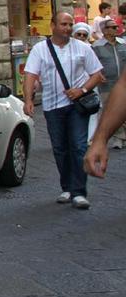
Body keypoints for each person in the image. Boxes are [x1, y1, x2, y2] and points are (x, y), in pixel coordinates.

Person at [23, 11, 105, 210]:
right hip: (52, 106)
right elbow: (30, 75)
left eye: (70, 24)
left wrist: (82, 90)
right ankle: (67, 187)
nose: (68, 28)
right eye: (63, 24)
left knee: (78, 146)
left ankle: (79, 192)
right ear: (53, 26)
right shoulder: (40, 49)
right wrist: (28, 100)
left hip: (77, 106)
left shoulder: (83, 48)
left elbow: (97, 74)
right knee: (60, 148)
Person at [92, 19, 126, 150]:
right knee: (111, 109)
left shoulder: (123, 43)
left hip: (122, 82)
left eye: (116, 27)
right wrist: (98, 75)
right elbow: (93, 64)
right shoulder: (97, 46)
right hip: (106, 83)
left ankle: (121, 137)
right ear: (105, 30)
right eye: (112, 27)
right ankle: (119, 138)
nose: (116, 29)